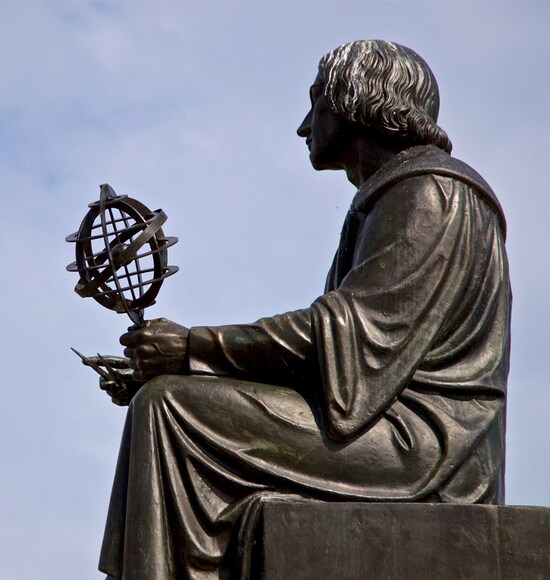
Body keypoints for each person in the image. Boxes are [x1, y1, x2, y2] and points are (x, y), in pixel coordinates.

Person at [98, 40, 511, 580]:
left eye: (316, 102)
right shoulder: (396, 194)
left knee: (168, 409)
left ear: (356, 101)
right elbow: (341, 362)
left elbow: (344, 334)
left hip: (427, 448)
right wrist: (192, 366)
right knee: (165, 398)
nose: (303, 125)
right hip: (384, 424)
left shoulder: (429, 192)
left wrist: (193, 347)